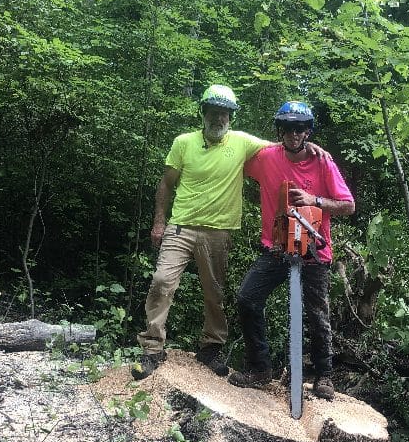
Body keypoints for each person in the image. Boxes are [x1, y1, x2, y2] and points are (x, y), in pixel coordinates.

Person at [132, 86, 326, 381]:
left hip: (219, 232)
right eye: (213, 111)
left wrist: (313, 148)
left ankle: (211, 347)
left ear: (231, 117)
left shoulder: (242, 142)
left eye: (224, 113)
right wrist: (160, 222)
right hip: (181, 225)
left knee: (215, 293)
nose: (218, 117)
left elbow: (283, 148)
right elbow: (166, 183)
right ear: (203, 112)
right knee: (161, 282)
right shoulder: (183, 143)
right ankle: (152, 348)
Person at [228, 101, 355, 401]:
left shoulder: (323, 162)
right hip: (276, 248)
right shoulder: (267, 158)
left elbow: (348, 205)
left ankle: (324, 375)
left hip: (311, 250)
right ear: (280, 130)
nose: (294, 133)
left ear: (308, 131)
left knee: (317, 315)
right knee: (247, 298)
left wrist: (316, 200)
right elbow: (233, 158)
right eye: (287, 127)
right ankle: (260, 368)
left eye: (300, 128)